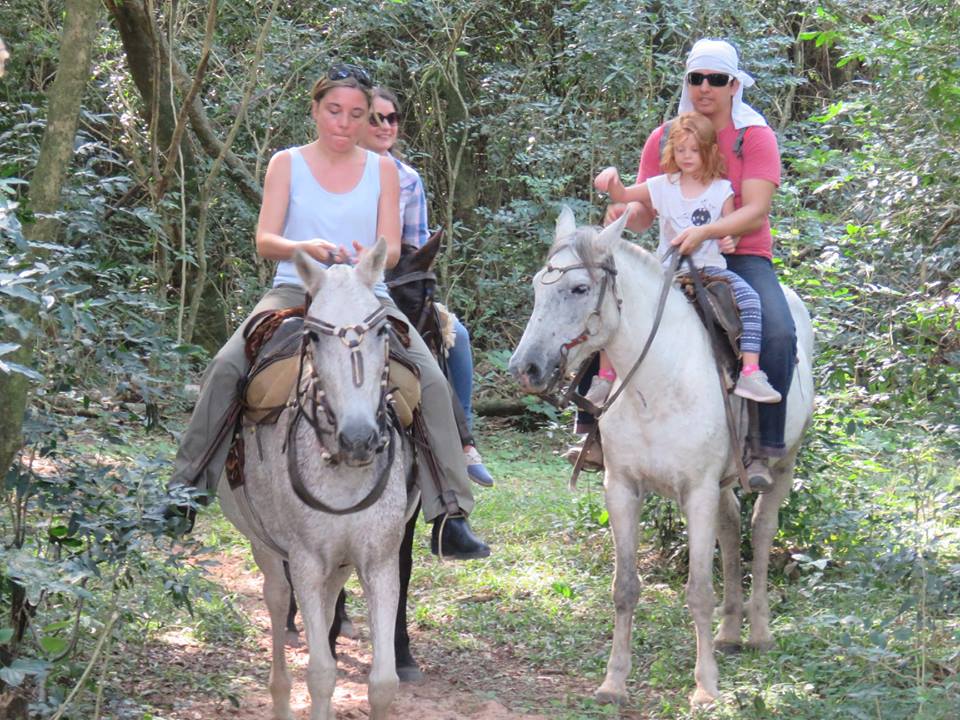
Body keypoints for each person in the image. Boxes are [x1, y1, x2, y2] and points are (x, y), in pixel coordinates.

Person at [170, 64, 489, 558]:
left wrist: (369, 258)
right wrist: (307, 247)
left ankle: (450, 512)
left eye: (356, 114)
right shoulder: (286, 163)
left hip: (365, 293)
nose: (344, 122)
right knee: (227, 365)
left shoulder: (385, 170)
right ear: (316, 110)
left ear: (367, 121)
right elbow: (265, 240)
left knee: (429, 377)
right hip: (295, 290)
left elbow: (394, 250)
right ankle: (185, 489)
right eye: (334, 111)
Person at [584, 39, 797, 491]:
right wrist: (621, 213)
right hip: (674, 254)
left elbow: (756, 208)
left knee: (779, 328)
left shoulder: (753, 136)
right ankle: (593, 432)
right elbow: (646, 209)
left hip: (739, 258)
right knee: (601, 306)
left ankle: (763, 447)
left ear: (734, 84)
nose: (705, 87)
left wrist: (706, 232)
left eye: (716, 79)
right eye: (696, 78)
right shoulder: (666, 137)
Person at [592, 111, 782, 412]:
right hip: (668, 271)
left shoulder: (722, 190)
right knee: (615, 305)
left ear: (709, 151)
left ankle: (749, 371)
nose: (687, 156)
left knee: (749, 300)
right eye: (680, 150)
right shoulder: (662, 185)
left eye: (694, 150)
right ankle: (603, 378)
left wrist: (726, 239)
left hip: (710, 270)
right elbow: (625, 194)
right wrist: (612, 180)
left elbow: (731, 224)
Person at [360, 85, 494, 487]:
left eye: (392, 118)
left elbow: (413, 247)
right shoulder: (333, 170)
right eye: (375, 118)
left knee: (459, 338)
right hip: (338, 279)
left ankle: (462, 440)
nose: (385, 126)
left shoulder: (408, 179)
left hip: (394, 285)